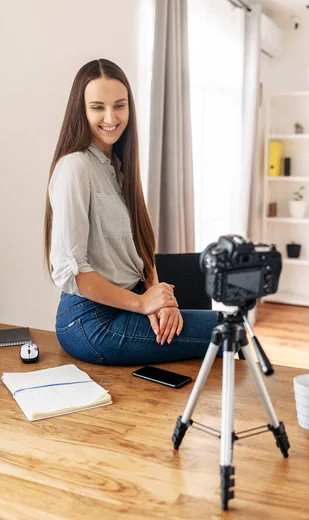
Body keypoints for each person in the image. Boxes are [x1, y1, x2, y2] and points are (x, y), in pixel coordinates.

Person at [44, 59, 222, 366]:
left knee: (222, 332)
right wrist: (142, 303)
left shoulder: (119, 168)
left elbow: (141, 247)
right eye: (98, 107)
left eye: (119, 105)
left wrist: (159, 300)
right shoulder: (75, 167)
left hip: (129, 303)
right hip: (90, 320)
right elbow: (72, 271)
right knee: (229, 330)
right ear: (81, 110)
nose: (111, 117)